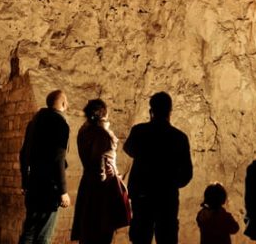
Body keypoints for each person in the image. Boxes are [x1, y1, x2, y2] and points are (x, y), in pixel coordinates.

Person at [124, 92, 193, 244]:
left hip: (142, 196)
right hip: (167, 197)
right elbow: (187, 173)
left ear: (151, 111)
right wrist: (171, 184)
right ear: (170, 111)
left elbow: (128, 149)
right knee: (167, 237)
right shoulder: (179, 137)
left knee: (140, 237)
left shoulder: (139, 131)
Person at [18, 90, 71, 244]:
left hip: (33, 183)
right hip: (49, 187)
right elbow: (58, 158)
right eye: (66, 100)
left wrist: (25, 181)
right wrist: (63, 191)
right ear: (62, 103)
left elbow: (23, 153)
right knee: (43, 236)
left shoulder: (34, 122)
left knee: (29, 232)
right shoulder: (60, 123)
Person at [71, 99, 124, 244]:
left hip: (87, 184)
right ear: (104, 113)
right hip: (101, 191)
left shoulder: (84, 130)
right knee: (100, 233)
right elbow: (100, 167)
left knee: (87, 232)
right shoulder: (102, 134)